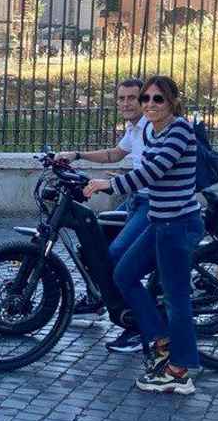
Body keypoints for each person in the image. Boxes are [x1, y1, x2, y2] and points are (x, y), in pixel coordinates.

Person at [84, 75, 202, 396]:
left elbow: (153, 172)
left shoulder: (180, 130)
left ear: (172, 101)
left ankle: (180, 371)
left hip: (178, 224)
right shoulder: (151, 129)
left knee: (177, 299)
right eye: (146, 99)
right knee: (123, 273)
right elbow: (136, 166)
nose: (149, 104)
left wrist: (109, 185)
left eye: (158, 99)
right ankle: (159, 340)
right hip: (157, 220)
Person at [56, 76, 150, 351]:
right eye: (121, 98)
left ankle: (137, 324)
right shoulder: (134, 129)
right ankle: (98, 298)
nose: (125, 103)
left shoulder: (150, 128)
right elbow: (114, 154)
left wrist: (110, 184)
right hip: (134, 200)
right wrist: (76, 155)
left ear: (144, 99)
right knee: (92, 245)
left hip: (150, 204)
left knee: (117, 257)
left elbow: (151, 172)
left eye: (132, 97)